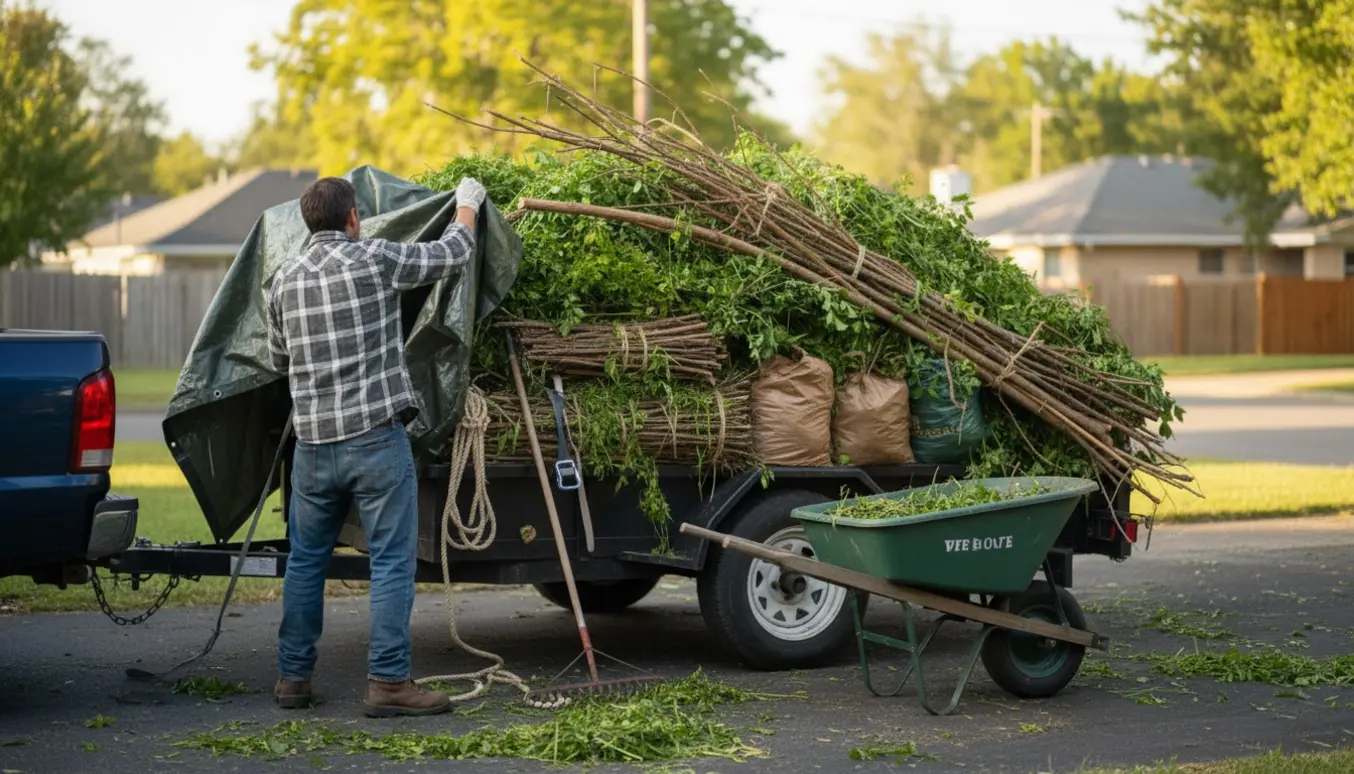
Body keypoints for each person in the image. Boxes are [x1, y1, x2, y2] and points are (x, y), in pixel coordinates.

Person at [265, 175, 488, 717]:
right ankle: (388, 683)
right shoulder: (375, 259)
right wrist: (467, 203)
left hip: (313, 450)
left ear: (307, 222)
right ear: (353, 218)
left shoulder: (283, 281)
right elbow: (453, 254)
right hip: (375, 442)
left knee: (305, 563)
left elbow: (277, 360)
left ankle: (293, 679)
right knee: (390, 563)